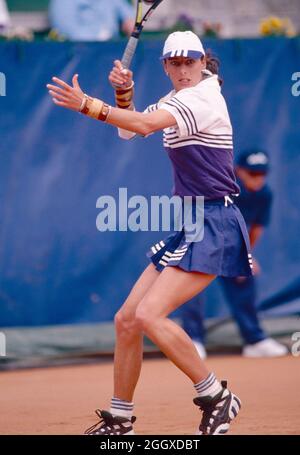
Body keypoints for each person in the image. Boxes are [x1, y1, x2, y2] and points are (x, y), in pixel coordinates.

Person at [47, 31, 252, 435]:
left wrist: (86, 103)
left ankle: (217, 397)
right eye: (173, 64)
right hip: (191, 222)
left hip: (215, 223)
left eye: (188, 62)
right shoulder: (178, 98)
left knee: (149, 315)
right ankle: (120, 418)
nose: (182, 70)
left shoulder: (201, 98)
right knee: (127, 320)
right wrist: (125, 92)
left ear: (202, 63)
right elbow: (130, 126)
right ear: (165, 66)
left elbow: (141, 125)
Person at [181, 149, 288, 359]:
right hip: (200, 239)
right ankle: (193, 341)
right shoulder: (222, 187)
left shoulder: (264, 194)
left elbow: (256, 227)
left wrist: (245, 254)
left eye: (262, 174)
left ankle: (254, 340)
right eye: (252, 173)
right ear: (239, 171)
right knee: (190, 288)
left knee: (244, 273)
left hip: (230, 244)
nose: (258, 179)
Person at [49, 0, 135, 41]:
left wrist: (129, 23)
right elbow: (66, 31)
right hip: (79, 55)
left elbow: (129, 16)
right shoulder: (62, 2)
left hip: (111, 52)